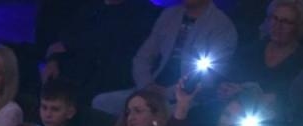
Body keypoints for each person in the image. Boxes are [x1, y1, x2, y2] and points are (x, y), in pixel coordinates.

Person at [93, 0, 238, 117]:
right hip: (150, 89)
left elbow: (208, 78)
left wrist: (166, 93)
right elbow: (142, 57)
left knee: (150, 116)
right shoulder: (170, 15)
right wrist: (146, 85)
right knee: (101, 103)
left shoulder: (222, 26)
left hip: (187, 98)